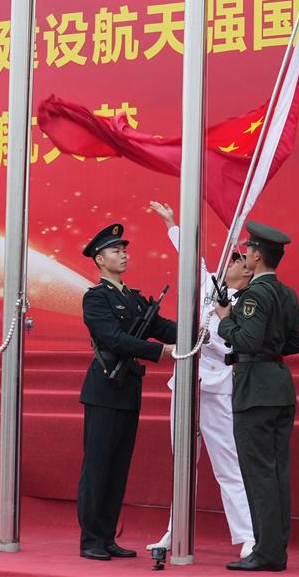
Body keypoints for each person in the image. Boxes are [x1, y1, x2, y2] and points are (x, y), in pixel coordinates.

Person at [145, 201, 255, 559]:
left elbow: (234, 341)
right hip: (186, 383)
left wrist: (211, 335)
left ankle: (248, 535)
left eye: (238, 260)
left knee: (227, 462)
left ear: (246, 272)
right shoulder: (210, 283)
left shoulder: (245, 303)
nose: (231, 262)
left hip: (217, 385)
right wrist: (171, 224)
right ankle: (175, 531)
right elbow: (194, 260)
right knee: (182, 461)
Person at [77, 222, 178, 561]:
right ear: (99, 259)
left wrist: (201, 326)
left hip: (128, 388)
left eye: (124, 250)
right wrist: (159, 351)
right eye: (115, 250)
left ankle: (107, 536)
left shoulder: (133, 299)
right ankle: (91, 538)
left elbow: (163, 327)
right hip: (105, 388)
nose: (123, 255)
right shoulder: (96, 298)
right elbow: (113, 339)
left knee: (118, 467)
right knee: (98, 466)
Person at [215, 221, 299, 572]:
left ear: (256, 256)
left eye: (247, 252)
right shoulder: (286, 292)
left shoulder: (254, 294)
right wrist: (273, 349)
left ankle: (267, 551)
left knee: (258, 474)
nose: (245, 257)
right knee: (276, 471)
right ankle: (274, 547)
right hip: (279, 385)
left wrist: (225, 320)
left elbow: (246, 340)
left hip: (255, 388)